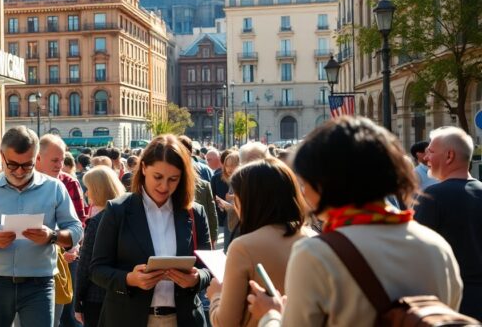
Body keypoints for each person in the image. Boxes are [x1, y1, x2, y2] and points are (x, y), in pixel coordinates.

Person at [247, 116, 463, 326]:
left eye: (305, 181)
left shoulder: (315, 254)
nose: (303, 191)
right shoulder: (437, 246)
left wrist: (271, 315)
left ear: (325, 182)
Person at [91, 134, 213, 327]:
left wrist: (197, 279)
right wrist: (129, 279)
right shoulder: (118, 210)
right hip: (127, 318)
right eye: (158, 177)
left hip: (183, 318)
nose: (164, 186)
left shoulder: (195, 212)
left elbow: (208, 267)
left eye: (173, 179)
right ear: (144, 168)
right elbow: (97, 269)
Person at [0, 126, 83, 327]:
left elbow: (75, 230)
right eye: (12, 165)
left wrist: (52, 236)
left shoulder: (54, 188)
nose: (20, 171)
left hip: (39, 284)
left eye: (27, 165)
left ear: (36, 158)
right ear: (2, 156)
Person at [206, 158, 315, 327]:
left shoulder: (243, 247)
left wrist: (216, 295)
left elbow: (225, 322)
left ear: (249, 200)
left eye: (237, 197)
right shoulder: (314, 240)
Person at [414, 126, 482, 319]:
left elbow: (417, 255)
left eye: (431, 151)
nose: (426, 157)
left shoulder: (432, 197)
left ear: (449, 156)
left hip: (451, 305)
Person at [34, 134, 87, 327]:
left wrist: (72, 247)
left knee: (68, 315)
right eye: (55, 160)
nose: (59, 165)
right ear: (38, 158)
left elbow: (79, 222)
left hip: (67, 257)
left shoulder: (69, 182)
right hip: (35, 262)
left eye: (62, 160)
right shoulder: (24, 183)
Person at [74, 166, 126, 327]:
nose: (86, 193)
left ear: (98, 189)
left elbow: (85, 265)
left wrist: (78, 301)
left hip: (96, 297)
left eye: (88, 188)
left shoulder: (97, 222)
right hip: (125, 294)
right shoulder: (127, 216)